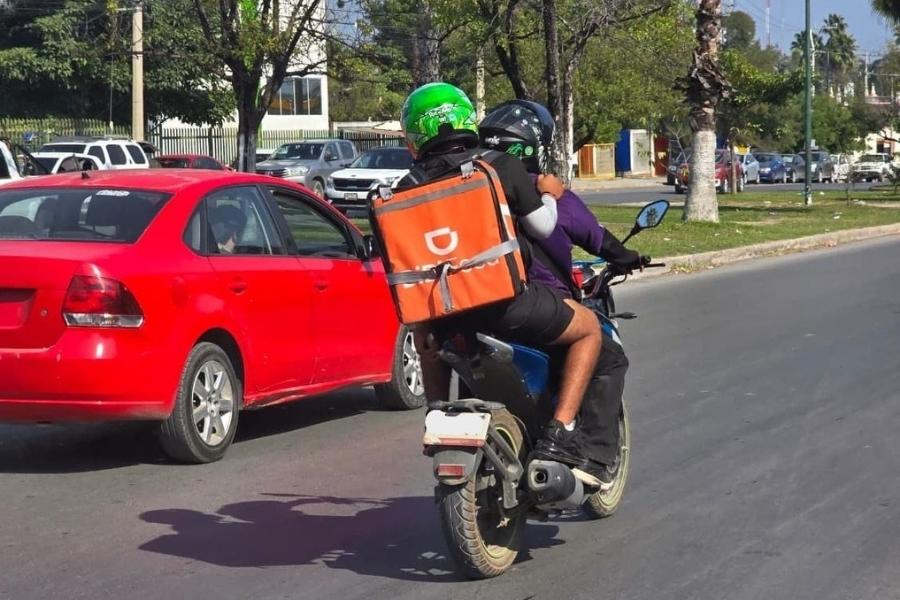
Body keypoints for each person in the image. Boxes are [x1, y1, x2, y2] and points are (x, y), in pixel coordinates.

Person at [396, 82, 604, 484]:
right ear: (465, 119)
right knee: (589, 331)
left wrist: (422, 323)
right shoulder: (498, 165)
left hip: (444, 314)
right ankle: (559, 433)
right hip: (507, 307)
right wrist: (549, 194)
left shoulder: (406, 188)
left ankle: (436, 415)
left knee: (430, 337)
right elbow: (543, 228)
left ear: (414, 137)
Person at [479, 99, 642, 486]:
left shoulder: (470, 193)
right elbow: (598, 238)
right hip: (536, 307)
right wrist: (630, 256)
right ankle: (589, 455)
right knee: (610, 358)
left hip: (476, 305)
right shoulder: (547, 194)